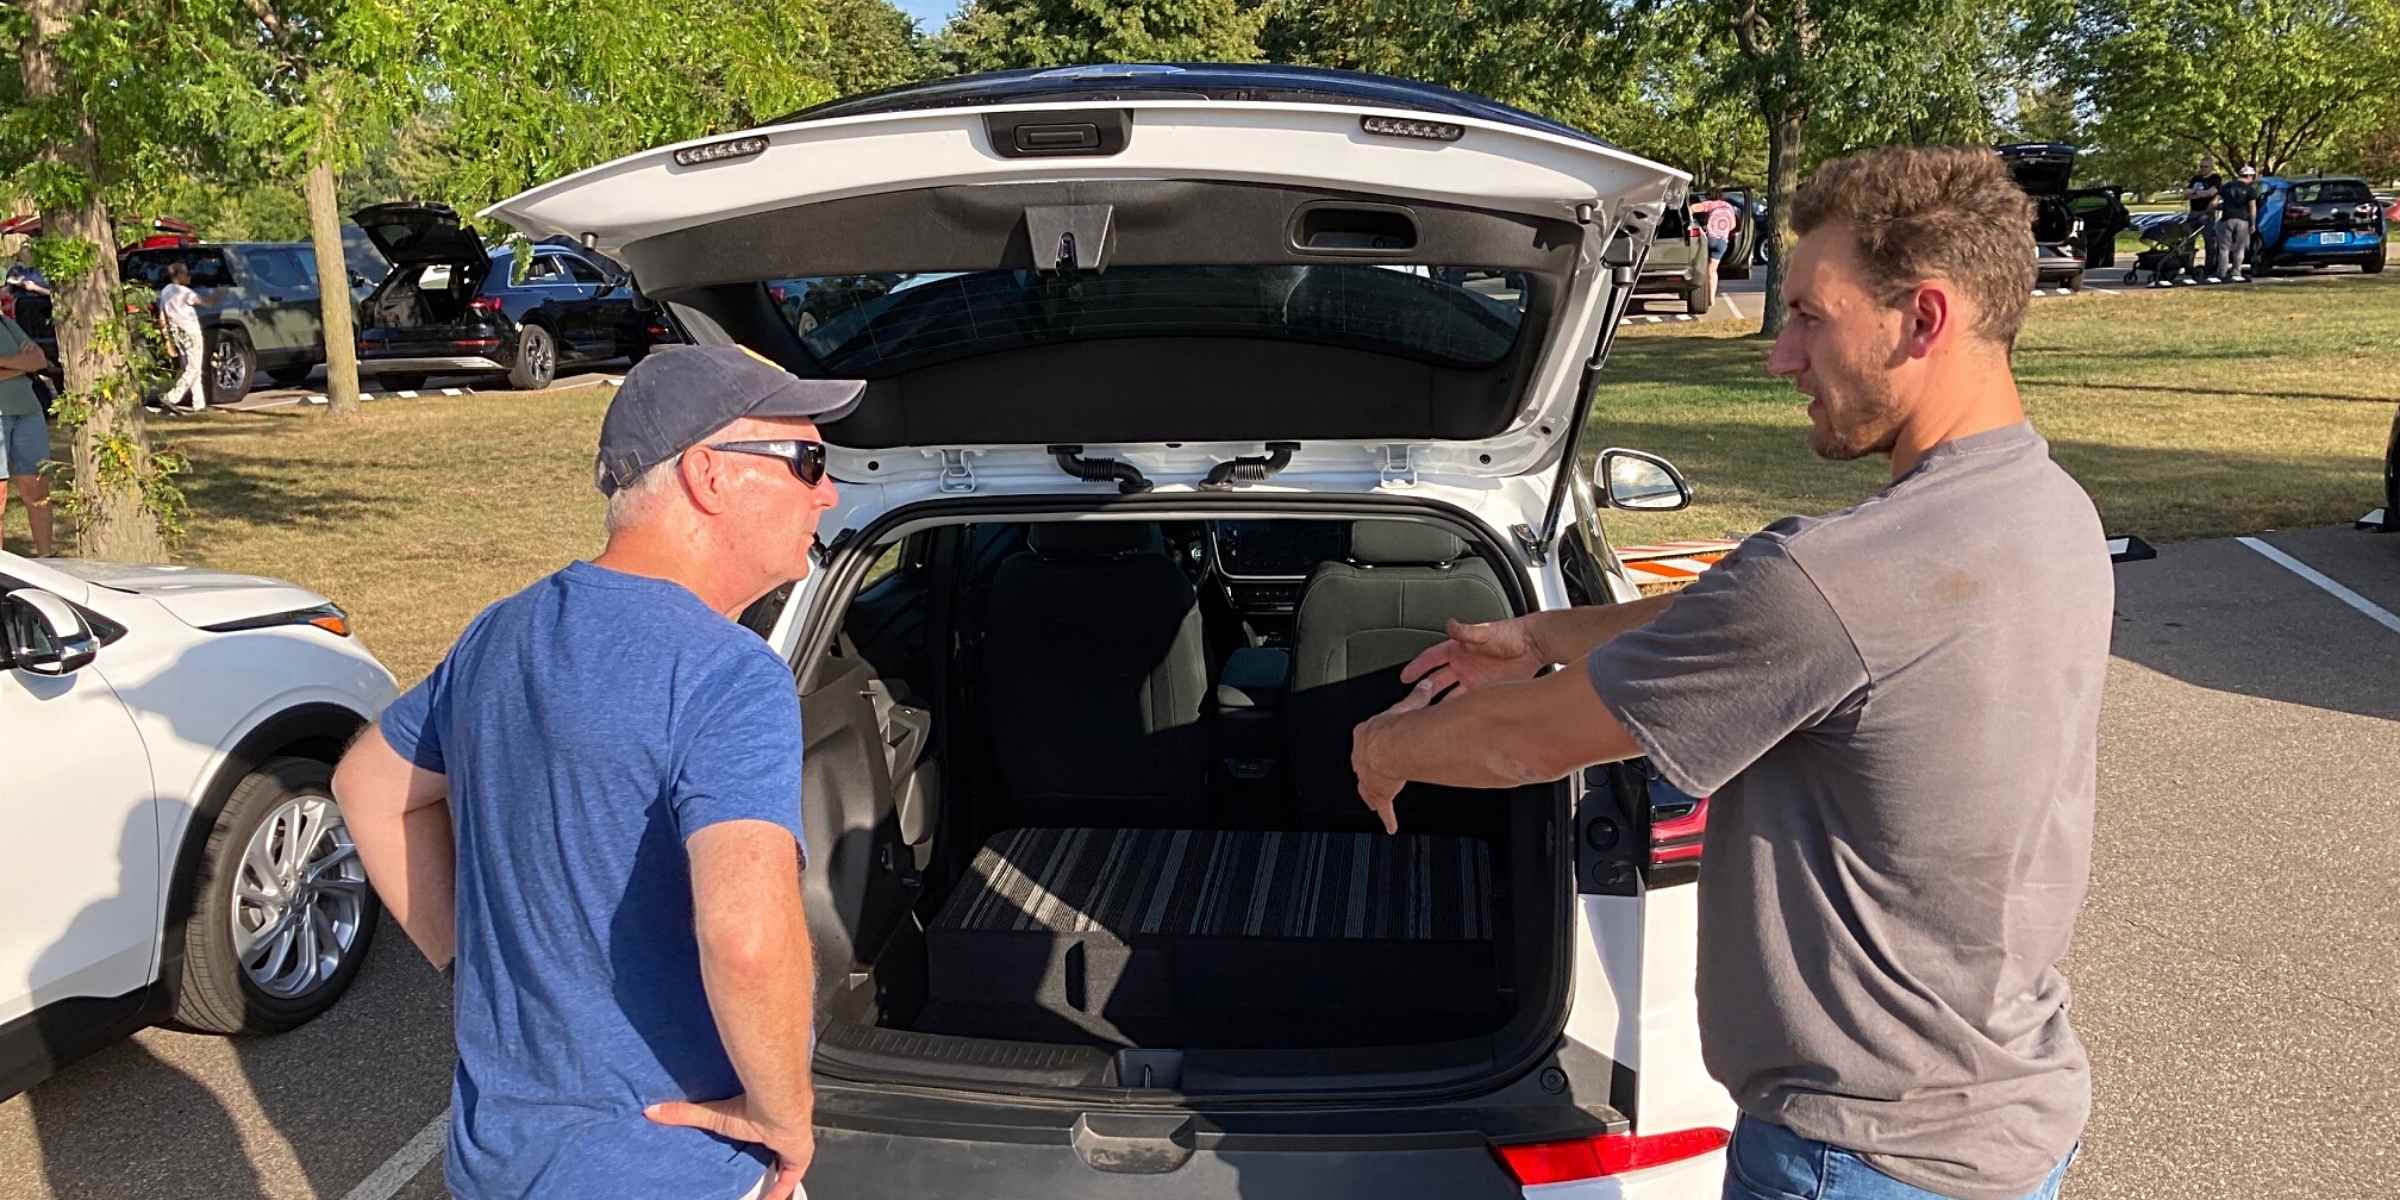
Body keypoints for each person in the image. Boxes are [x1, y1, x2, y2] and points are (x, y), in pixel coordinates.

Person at [1351, 145, 2107, 1200]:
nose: (1779, 356)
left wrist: (1380, 744)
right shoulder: (2042, 508)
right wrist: (1546, 634)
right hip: (2006, 1112)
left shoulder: (1834, 580)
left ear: (1923, 318)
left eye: (1809, 315)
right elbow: (1780, 623)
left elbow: (1519, 741)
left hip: (1861, 1157)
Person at [333, 345, 863, 1200]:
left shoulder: (500, 632)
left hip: (497, 1162)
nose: (829, 492)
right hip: (672, 1170)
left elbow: (367, 786)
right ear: (709, 475)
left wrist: (467, 964)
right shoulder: (728, 672)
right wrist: (782, 1117)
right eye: (808, 461)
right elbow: (745, 936)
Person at [0, 308, 54, 556]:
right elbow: (29, 364)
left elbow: (39, 361)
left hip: (28, 412)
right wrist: (22, 366)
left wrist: (4, 365)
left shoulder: (6, 322)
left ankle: (47, 559)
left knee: (38, 488)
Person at [155, 261, 213, 412]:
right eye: (186, 273)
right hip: (190, 331)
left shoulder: (165, 292)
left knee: (190, 366)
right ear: (179, 275)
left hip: (177, 332)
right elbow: (206, 303)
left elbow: (162, 317)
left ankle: (199, 404)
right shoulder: (185, 293)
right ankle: (172, 397)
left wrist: (167, 340)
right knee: (194, 368)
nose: (189, 276)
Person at [1690, 187, 1740, 305]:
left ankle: (1699, 293)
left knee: (1701, 267)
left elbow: (1691, 208)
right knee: (1712, 270)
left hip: (1709, 239)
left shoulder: (1710, 204)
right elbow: (1733, 226)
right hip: (1722, 242)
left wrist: (1690, 219)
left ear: (1708, 196)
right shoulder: (1729, 207)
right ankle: (1711, 299)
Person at [2218, 165, 2262, 281]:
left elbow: (2214, 202)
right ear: (2249, 176)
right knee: (2240, 248)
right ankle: (2236, 272)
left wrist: (2219, 208)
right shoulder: (2250, 189)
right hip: (2243, 220)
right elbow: (2252, 208)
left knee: (2224, 248)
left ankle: (2221, 273)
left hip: (2226, 219)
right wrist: (2253, 224)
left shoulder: (2226, 186)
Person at [2186, 156, 2225, 280]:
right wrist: (2200, 194)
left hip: (2207, 213)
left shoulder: (2215, 178)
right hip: (2193, 212)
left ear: (2211, 167)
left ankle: (2209, 268)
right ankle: (2188, 267)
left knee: (2210, 241)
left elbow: (2211, 192)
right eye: (2201, 166)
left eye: (2205, 167)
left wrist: (2195, 193)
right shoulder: (2195, 178)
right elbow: (2185, 194)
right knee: (2188, 240)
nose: (2202, 169)